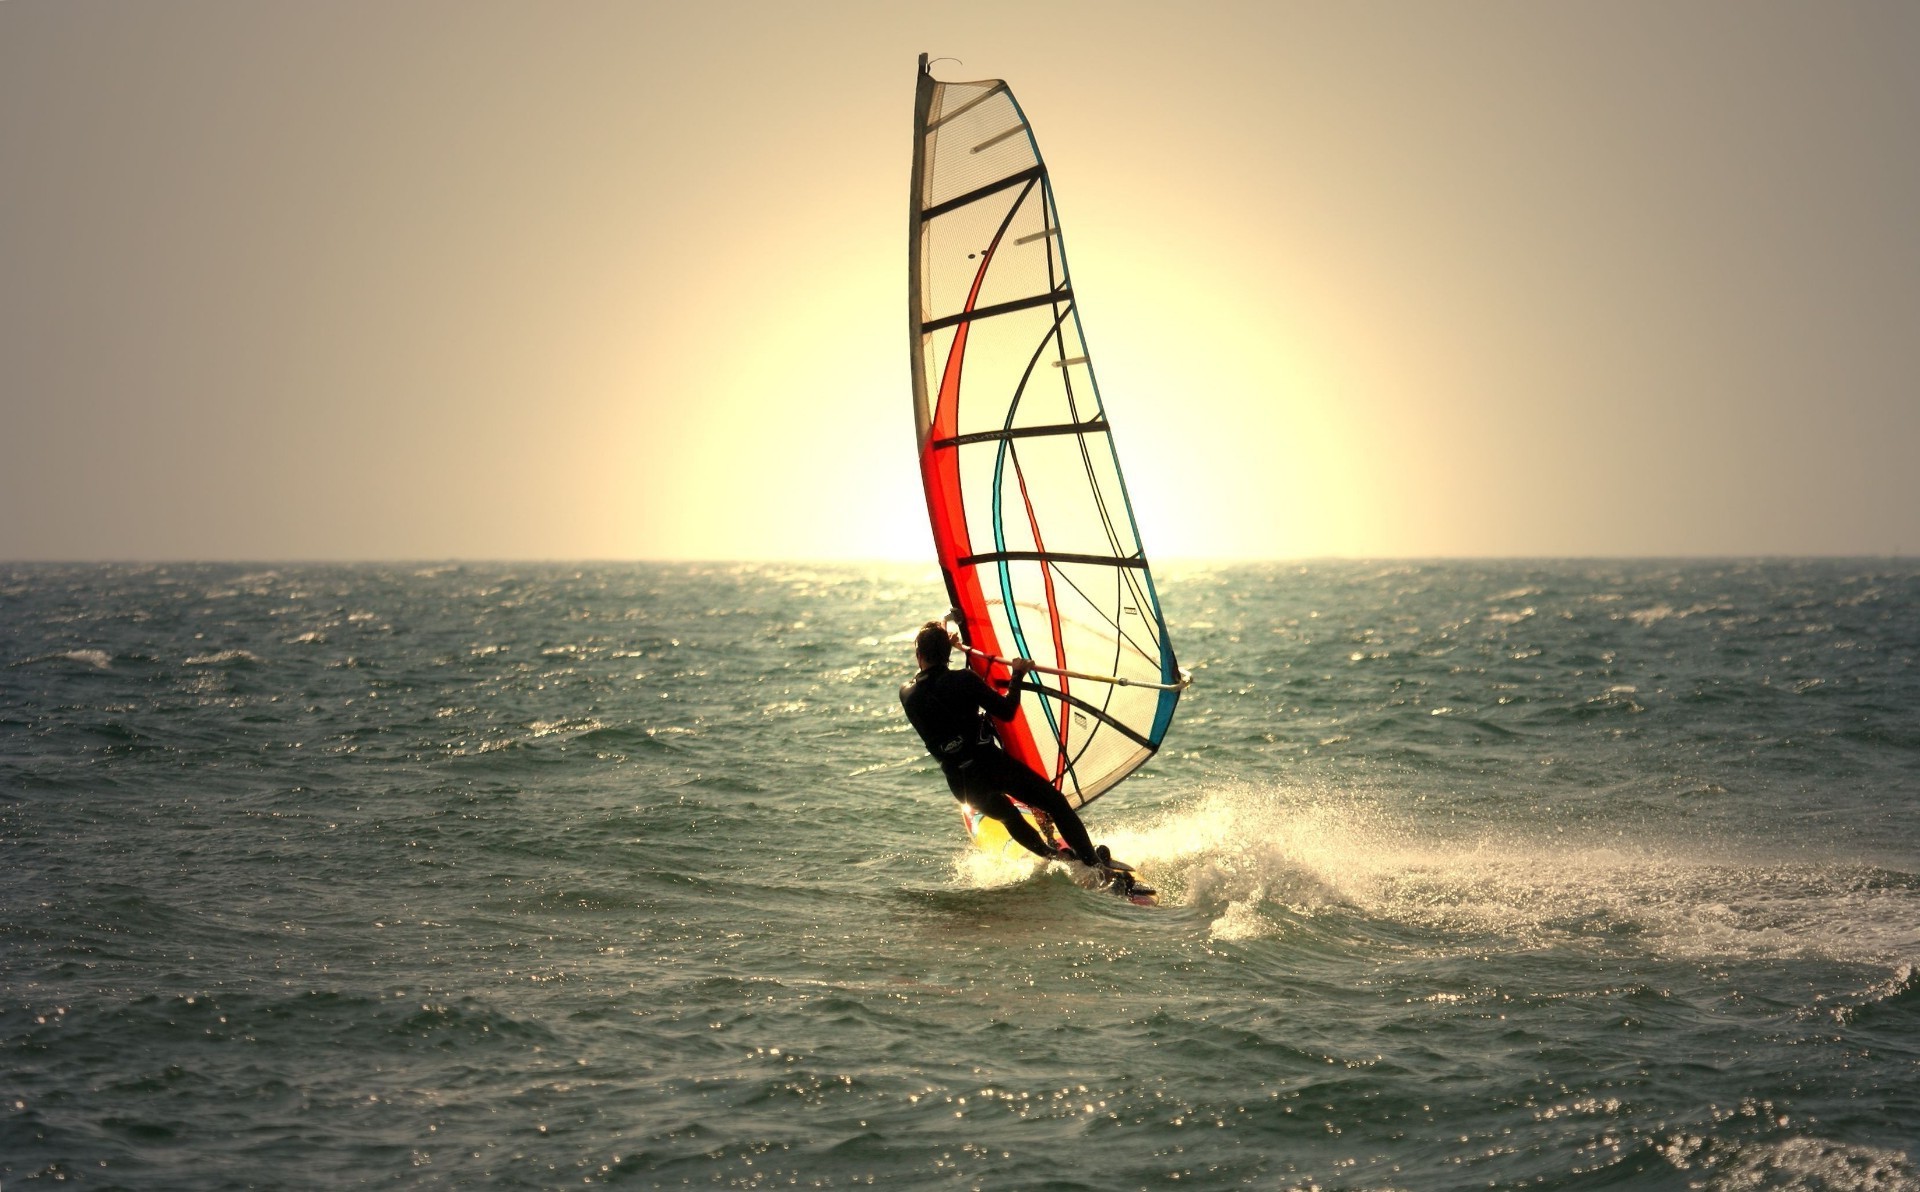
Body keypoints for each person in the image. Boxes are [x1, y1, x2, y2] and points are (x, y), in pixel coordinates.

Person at [899, 620, 1104, 867]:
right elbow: (1006, 712)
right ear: (948, 653)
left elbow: (936, 685)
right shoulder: (964, 680)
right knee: (1056, 804)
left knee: (1009, 817)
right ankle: (1093, 865)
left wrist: (942, 639)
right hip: (992, 767)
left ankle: (1055, 857)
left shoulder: (907, 693)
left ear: (919, 655)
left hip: (961, 782)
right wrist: (1017, 674)